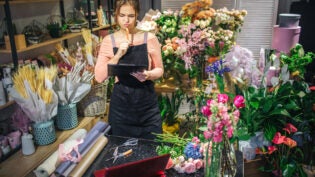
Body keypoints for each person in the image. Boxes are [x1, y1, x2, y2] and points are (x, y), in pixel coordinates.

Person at [95, 0, 164, 139]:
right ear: (116, 15)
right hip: (121, 108)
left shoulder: (149, 38)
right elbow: (99, 76)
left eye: (131, 16)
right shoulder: (109, 41)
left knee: (153, 148)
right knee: (121, 151)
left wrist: (149, 74)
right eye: (122, 15)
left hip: (147, 106)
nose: (126, 20)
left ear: (137, 14)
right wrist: (118, 54)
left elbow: (160, 70)